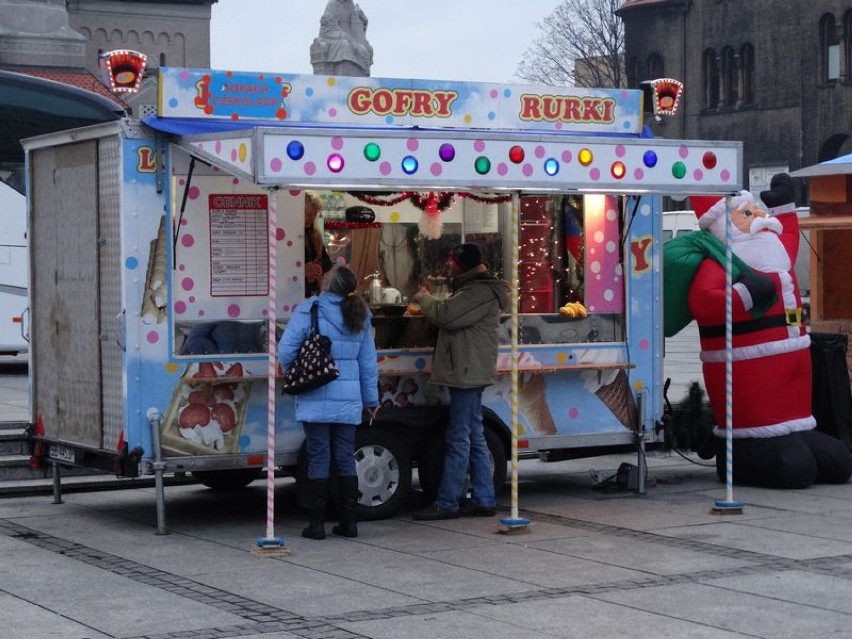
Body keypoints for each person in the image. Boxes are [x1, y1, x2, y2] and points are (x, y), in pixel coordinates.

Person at [664, 174, 852, 488]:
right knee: (795, 468)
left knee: (838, 462)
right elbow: (703, 302)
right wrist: (745, 293)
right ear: (723, 224)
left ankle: (794, 432)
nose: (761, 217)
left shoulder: (772, 250)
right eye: (748, 213)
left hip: (793, 396)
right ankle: (743, 451)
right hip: (749, 393)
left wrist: (785, 207)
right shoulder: (719, 262)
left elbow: (789, 237)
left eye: (758, 209)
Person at [278, 265, 379, 539]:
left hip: (315, 393)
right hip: (349, 399)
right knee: (346, 458)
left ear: (327, 285)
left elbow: (285, 350)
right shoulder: (361, 313)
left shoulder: (310, 309)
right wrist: (371, 399)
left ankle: (317, 524)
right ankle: (349, 522)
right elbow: (368, 362)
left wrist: (293, 372)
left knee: (319, 457)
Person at [411, 243, 509, 520]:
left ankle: (447, 501)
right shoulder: (473, 289)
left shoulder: (478, 291)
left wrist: (424, 298)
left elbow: (446, 316)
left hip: (467, 373)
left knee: (458, 437)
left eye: (452, 261)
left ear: (462, 265)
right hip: (470, 371)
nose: (448, 265)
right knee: (475, 435)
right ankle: (483, 497)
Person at [304, 192, 333, 298]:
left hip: (313, 291)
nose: (311, 219)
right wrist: (303, 269)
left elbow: (327, 263)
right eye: (308, 215)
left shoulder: (315, 236)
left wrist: (319, 267)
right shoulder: (291, 237)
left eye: (314, 215)